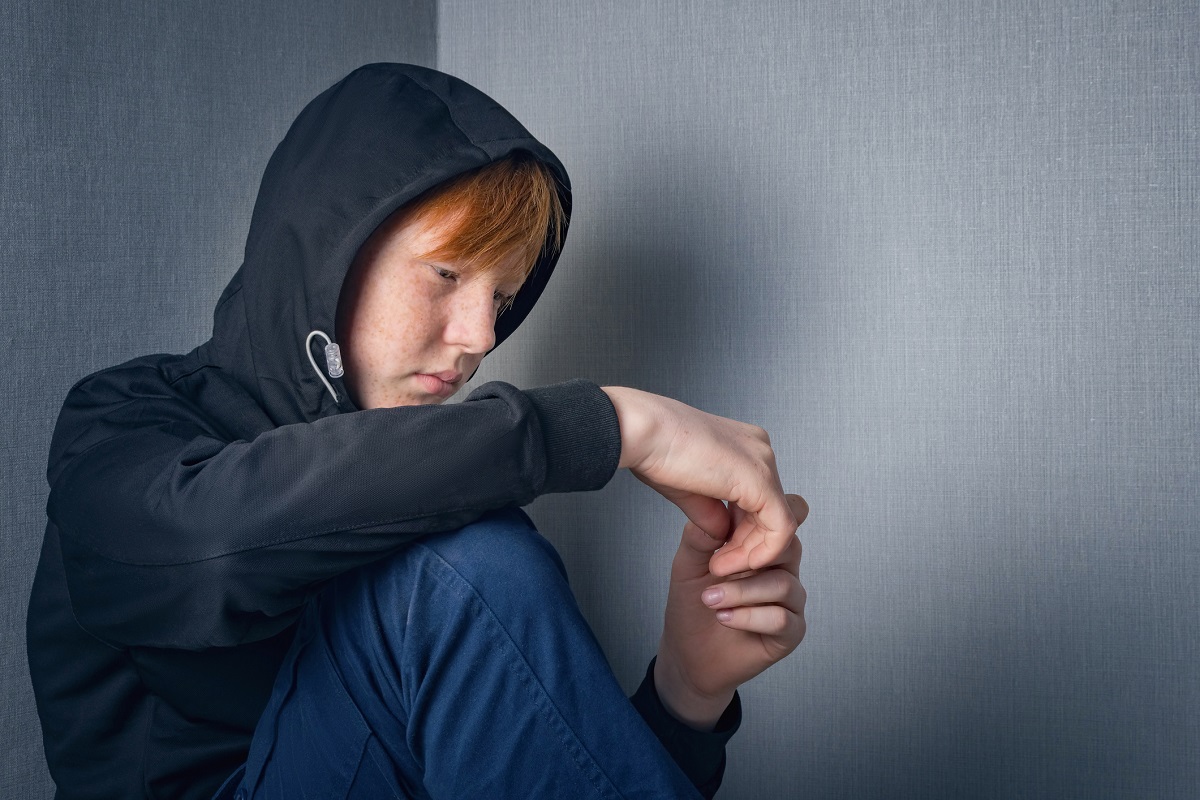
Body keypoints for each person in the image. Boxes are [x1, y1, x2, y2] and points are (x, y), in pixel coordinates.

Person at [27, 63, 808, 799]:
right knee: (463, 561)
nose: (479, 336)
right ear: (330, 253)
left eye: (501, 298)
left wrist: (685, 695)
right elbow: (206, 553)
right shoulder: (124, 421)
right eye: (447, 274)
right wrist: (614, 423)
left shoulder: (440, 507)